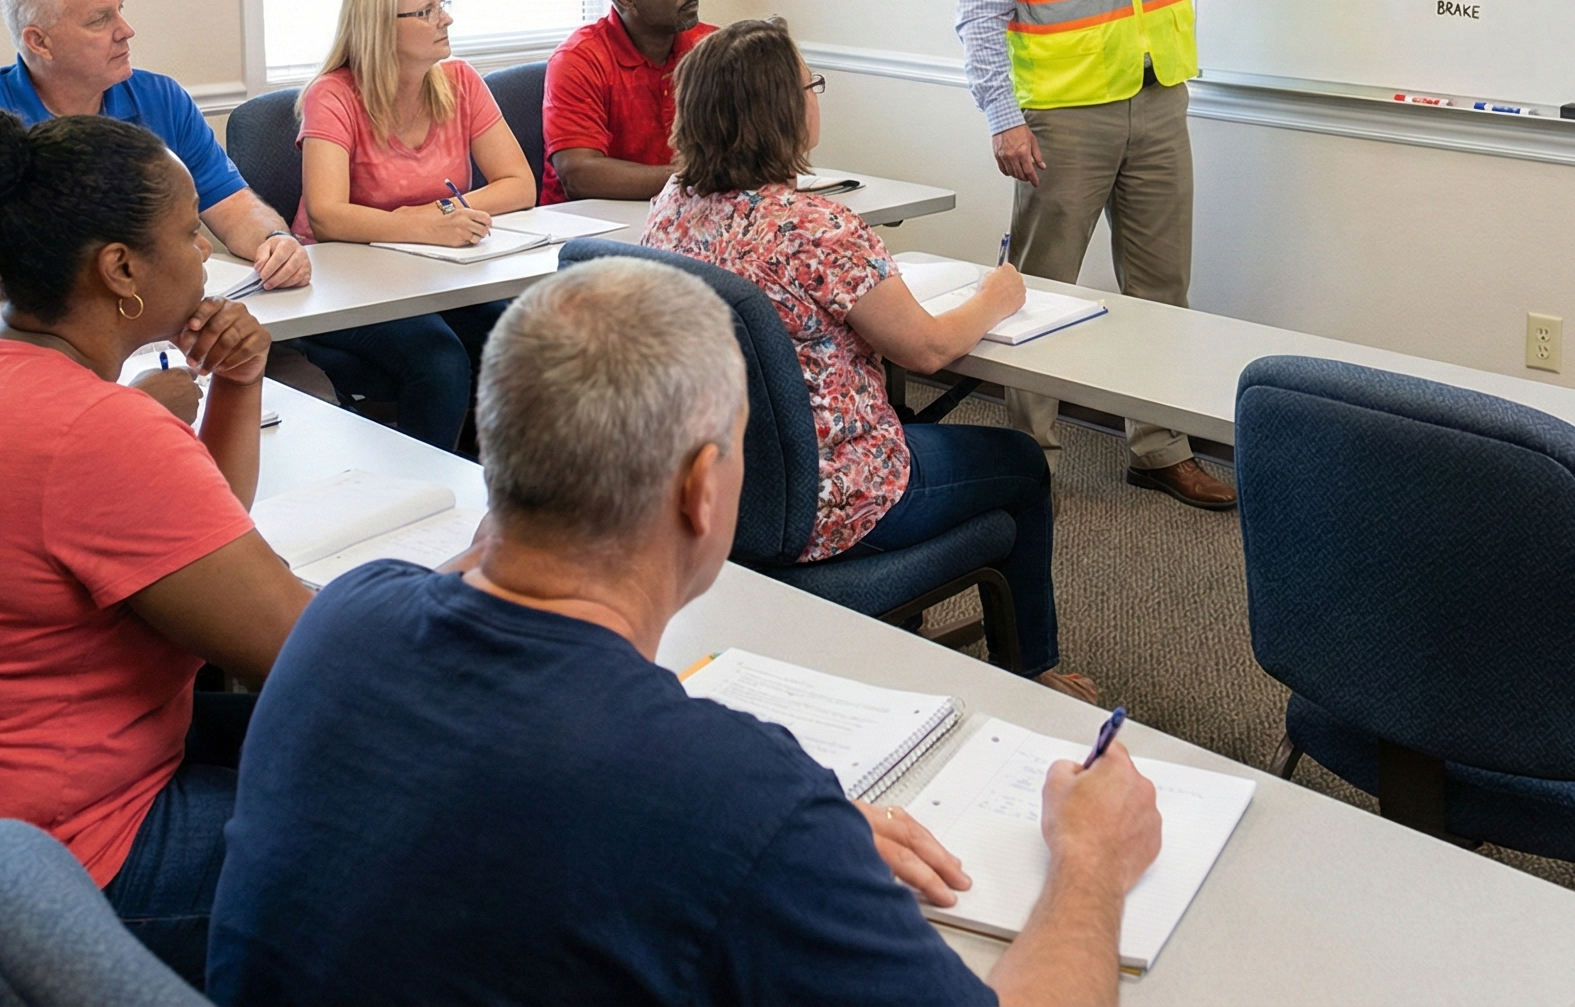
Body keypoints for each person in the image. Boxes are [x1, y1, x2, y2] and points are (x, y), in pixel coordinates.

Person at [208, 258, 1163, 1006]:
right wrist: (1091, 862)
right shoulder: (735, 798)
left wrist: (782, 841)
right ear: (703, 489)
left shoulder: (340, 621)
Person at [0, 110, 311, 998]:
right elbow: (299, 648)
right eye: (187, 233)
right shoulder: (95, 429)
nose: (206, 253)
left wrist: (236, 384)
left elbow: (197, 539)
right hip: (31, 882)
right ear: (120, 268)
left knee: (339, 745)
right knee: (399, 821)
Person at [957, 0, 1456, 511]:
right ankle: (1030, 462)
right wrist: (1002, 117)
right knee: (1039, 292)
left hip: (1157, 101)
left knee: (1162, 290)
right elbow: (979, 11)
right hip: (1061, 118)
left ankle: (1158, 448)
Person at [643, 18, 1090, 699]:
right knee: (1023, 462)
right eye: (810, 85)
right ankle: (1033, 672)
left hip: (717, 489)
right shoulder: (817, 229)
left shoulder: (670, 211)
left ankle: (907, 628)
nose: (816, 97)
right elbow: (928, 348)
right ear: (782, 111)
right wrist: (997, 296)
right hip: (830, 499)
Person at [0, 0, 311, 301]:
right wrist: (103, 278)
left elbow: (234, 206)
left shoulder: (161, 98)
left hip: (141, 323)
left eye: (120, 9)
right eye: (100, 19)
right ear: (39, 42)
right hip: (21, 332)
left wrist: (275, 241)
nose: (126, 30)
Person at [291, 0, 532, 448]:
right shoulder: (332, 95)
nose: (446, 19)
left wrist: (433, 217)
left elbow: (519, 184)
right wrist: (426, 226)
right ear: (381, 27)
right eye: (427, 12)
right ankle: (428, 488)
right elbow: (327, 216)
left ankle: (501, 481)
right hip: (344, 284)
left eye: (442, 5)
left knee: (526, 339)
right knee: (439, 361)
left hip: (437, 275)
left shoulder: (460, 81)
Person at [538, 0, 716, 202]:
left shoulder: (710, 46)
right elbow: (580, 174)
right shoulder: (579, 60)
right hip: (593, 220)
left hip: (686, 209)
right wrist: (697, 177)